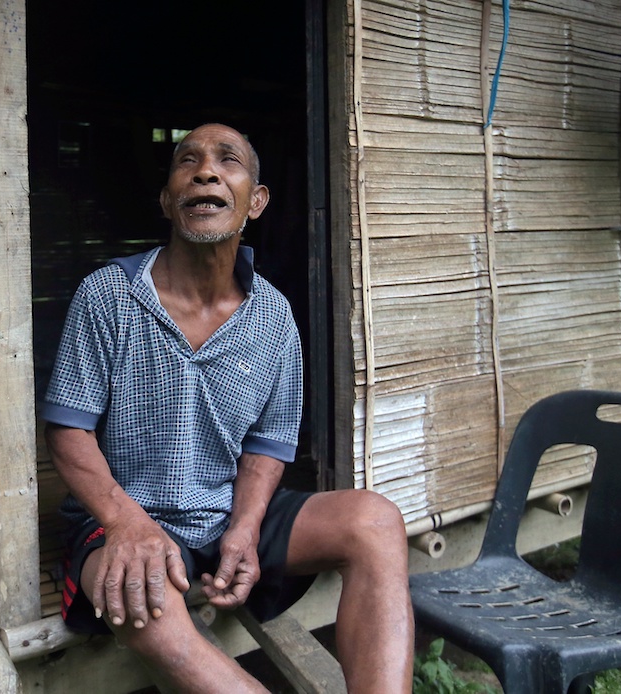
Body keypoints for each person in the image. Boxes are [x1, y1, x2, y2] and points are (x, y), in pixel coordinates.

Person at [41, 123, 413, 693]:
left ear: (255, 202)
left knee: (375, 521)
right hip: (125, 519)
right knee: (139, 596)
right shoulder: (108, 296)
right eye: (187, 161)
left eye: (227, 160)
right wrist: (125, 523)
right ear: (169, 199)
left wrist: (244, 529)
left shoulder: (273, 316)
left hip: (222, 513)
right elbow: (68, 431)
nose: (206, 170)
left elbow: (268, 444)